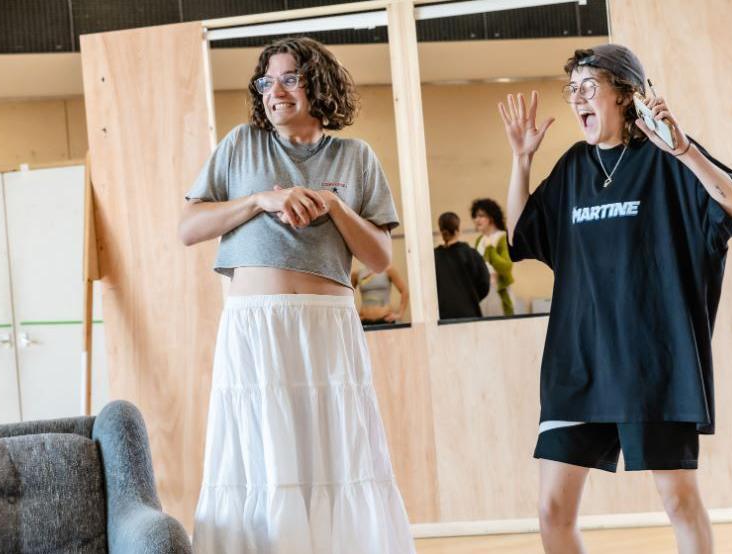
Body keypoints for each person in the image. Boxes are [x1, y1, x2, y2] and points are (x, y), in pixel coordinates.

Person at [499, 44, 732, 553]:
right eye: (571, 90)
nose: (577, 98)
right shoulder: (574, 168)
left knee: (679, 501)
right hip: (579, 363)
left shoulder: (668, 158)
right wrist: (521, 159)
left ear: (625, 94)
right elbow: (520, 236)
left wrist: (685, 151)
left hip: (652, 365)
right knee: (552, 510)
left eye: (588, 87)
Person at [179, 37, 414, 553]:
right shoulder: (241, 144)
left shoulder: (356, 157)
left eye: (290, 78)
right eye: (267, 81)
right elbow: (189, 227)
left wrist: (334, 205)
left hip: (327, 325)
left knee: (333, 453)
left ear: (318, 84)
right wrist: (262, 199)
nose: (275, 91)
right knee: (261, 454)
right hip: (253, 325)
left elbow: (379, 259)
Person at [434, 211, 490, 319]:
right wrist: (471, 297)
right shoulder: (471, 254)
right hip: (469, 314)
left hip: (442, 317)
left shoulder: (433, 258)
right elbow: (485, 283)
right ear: (458, 230)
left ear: (441, 231)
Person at [471, 198, 516, 316]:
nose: (477, 220)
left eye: (481, 216)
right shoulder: (479, 240)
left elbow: (506, 267)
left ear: (491, 217)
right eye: (475, 216)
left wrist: (490, 250)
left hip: (499, 291)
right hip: (482, 292)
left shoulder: (502, 237)